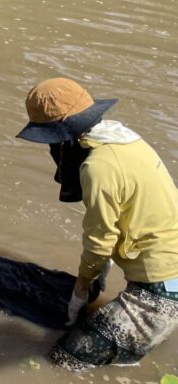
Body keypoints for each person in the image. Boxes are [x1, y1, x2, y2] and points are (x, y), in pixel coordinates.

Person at [17, 77, 178, 371]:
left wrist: (81, 290)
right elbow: (128, 216)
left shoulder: (97, 166)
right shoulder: (126, 139)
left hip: (161, 295)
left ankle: (134, 347)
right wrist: (102, 270)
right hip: (169, 274)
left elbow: (99, 238)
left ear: (61, 137)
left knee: (63, 359)